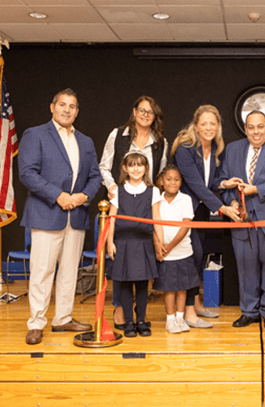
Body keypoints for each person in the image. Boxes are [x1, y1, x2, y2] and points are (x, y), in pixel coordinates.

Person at [19, 88, 102, 345]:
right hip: (46, 213)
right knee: (42, 271)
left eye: (72, 106)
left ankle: (63, 318)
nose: (67, 109)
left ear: (77, 111)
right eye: (62, 104)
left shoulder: (86, 141)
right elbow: (27, 173)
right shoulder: (35, 135)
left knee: (69, 271)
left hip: (76, 215)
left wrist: (83, 196)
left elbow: (95, 176)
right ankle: (36, 323)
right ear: (52, 107)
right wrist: (58, 195)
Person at [219, 110, 265, 330]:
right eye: (251, 127)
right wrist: (231, 201)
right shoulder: (232, 149)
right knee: (246, 268)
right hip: (242, 222)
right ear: (245, 129)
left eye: (260, 126)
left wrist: (256, 189)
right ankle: (249, 312)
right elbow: (223, 181)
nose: (256, 131)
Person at [99, 96, 168, 330]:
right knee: (122, 268)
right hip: (121, 202)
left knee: (140, 276)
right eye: (142, 110)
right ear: (134, 111)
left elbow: (160, 174)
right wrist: (112, 187)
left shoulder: (161, 142)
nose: (145, 114)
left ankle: (139, 318)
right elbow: (104, 166)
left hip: (145, 210)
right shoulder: (117, 135)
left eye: (150, 112)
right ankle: (122, 311)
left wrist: (158, 237)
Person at [171, 105, 241, 329]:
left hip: (199, 210)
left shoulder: (215, 148)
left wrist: (223, 184)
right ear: (196, 126)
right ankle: (188, 313)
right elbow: (195, 184)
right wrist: (222, 208)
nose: (209, 128)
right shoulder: (185, 148)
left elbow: (210, 182)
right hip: (182, 210)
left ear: (218, 126)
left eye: (213, 123)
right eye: (204, 124)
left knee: (197, 257)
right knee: (190, 259)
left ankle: (196, 304)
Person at [106, 152, 158, 338]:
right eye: (132, 165)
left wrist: (158, 244)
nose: (136, 169)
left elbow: (157, 220)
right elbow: (111, 219)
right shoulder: (118, 191)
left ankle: (141, 321)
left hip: (143, 243)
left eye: (140, 165)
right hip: (123, 243)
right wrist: (110, 242)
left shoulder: (153, 191)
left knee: (143, 284)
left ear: (145, 168)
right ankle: (129, 322)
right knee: (126, 284)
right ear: (125, 168)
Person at [153, 165, 201, 334]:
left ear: (181, 182)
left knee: (182, 287)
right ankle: (170, 319)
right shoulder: (156, 201)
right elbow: (154, 225)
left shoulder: (186, 199)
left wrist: (171, 245)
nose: (172, 182)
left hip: (183, 252)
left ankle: (180, 318)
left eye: (176, 179)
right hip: (166, 255)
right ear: (161, 182)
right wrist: (159, 246)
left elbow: (185, 225)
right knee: (169, 288)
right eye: (168, 179)